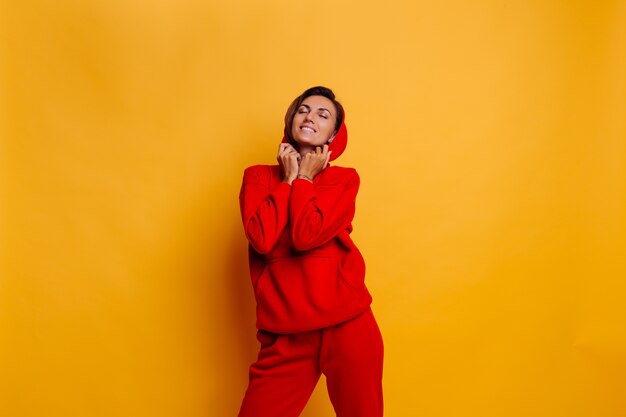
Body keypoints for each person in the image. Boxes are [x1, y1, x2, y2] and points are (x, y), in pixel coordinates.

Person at [237, 86, 384, 417]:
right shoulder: (259, 176)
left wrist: (303, 178)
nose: (310, 117)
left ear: (333, 135)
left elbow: (306, 235)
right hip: (286, 331)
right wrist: (287, 181)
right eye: (303, 110)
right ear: (291, 120)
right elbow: (261, 238)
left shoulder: (344, 180)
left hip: (348, 324)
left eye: (323, 114)